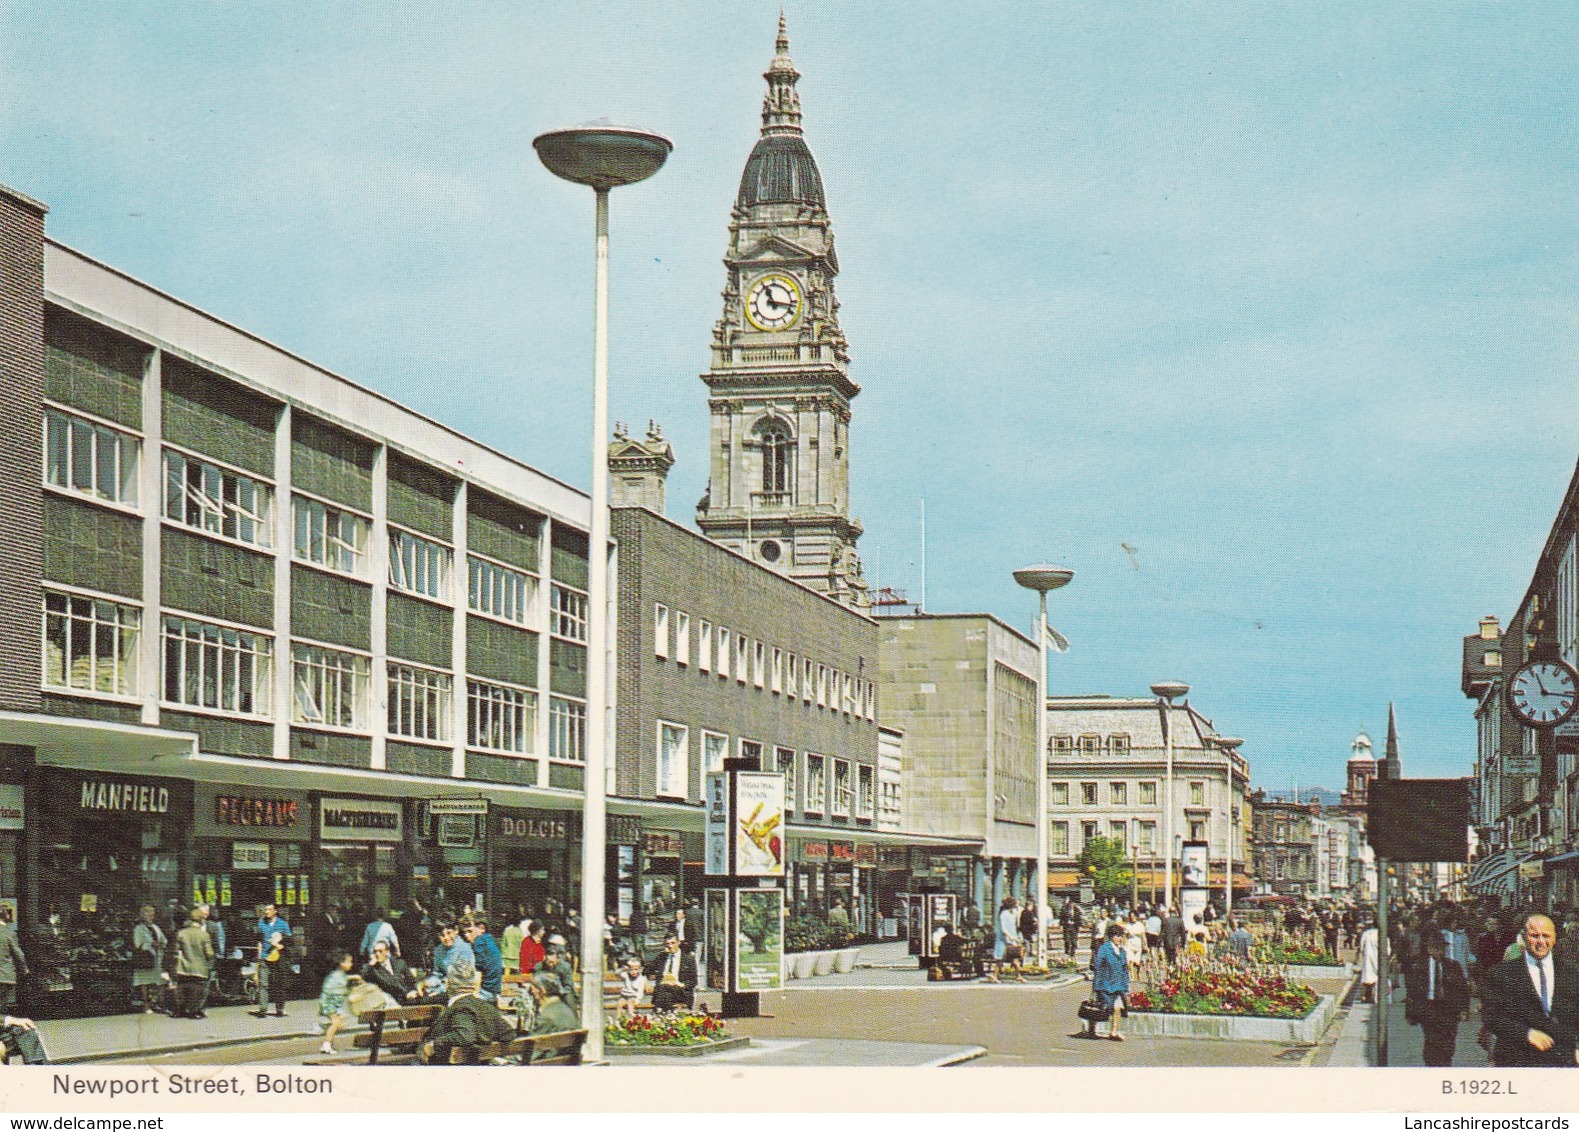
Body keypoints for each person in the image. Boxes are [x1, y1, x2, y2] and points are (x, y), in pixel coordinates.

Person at [1482, 914, 1578, 1067]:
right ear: (1524, 937)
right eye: (1535, 936)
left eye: (1546, 936)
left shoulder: (1572, 973)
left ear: (1554, 938)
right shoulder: (1501, 973)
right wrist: (1526, 1034)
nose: (1541, 941)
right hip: (1517, 1061)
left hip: (1562, 1062)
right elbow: (1492, 1017)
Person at [422, 958, 515, 1065]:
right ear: (473, 984)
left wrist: (434, 1045)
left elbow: (464, 1036)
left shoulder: (461, 1008)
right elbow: (509, 1033)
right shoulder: (487, 1006)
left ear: (447, 984)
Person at [1405, 929, 1470, 1067]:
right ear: (1429, 949)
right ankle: (1433, 1066)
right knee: (1431, 1042)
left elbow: (1463, 989)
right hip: (1429, 1008)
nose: (1440, 952)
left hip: (1449, 1010)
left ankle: (1445, 1063)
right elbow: (1412, 990)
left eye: (1442, 948)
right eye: (1436, 948)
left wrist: (1464, 1009)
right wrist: (1410, 1012)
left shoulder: (1453, 966)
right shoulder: (1419, 965)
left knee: (1448, 1043)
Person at [173, 908, 215, 1019]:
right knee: (198, 990)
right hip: (199, 967)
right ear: (201, 920)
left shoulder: (181, 933)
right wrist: (210, 962)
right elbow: (209, 953)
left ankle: (181, 1010)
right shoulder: (204, 935)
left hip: (183, 967)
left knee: (182, 988)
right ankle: (194, 1011)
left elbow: (176, 951)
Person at [1091, 923, 1131, 1041]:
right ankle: (1092, 1029)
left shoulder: (1122, 951)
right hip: (1106, 984)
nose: (1119, 939)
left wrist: (1127, 984)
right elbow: (1098, 966)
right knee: (1103, 1008)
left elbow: (1125, 968)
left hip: (1118, 985)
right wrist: (1097, 983)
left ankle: (1113, 1032)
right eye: (1117, 936)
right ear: (1111, 937)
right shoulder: (1105, 948)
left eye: (1121, 936)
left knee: (1117, 1007)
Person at [252, 903, 292, 1018]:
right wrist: (259, 957)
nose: (266, 912)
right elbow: (259, 941)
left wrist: (281, 946)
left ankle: (280, 1008)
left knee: (279, 983)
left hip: (278, 957)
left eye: (269, 909)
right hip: (265, 957)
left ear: (275, 911)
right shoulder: (261, 923)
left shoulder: (282, 924)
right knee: (263, 984)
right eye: (265, 909)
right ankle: (263, 1009)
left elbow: (289, 940)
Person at [317, 951, 356, 1056]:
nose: (351, 964)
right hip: (329, 1003)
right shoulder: (337, 976)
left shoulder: (339, 974)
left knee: (340, 1023)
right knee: (335, 1023)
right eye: (349, 962)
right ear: (342, 963)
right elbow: (338, 991)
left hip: (330, 1003)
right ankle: (327, 1044)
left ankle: (325, 1029)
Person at [647, 934, 698, 1011]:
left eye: (673, 943)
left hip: (681, 991)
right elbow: (647, 969)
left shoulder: (688, 959)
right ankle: (668, 1016)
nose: (670, 946)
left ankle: (659, 1012)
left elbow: (694, 981)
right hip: (664, 991)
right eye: (667, 944)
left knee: (662, 989)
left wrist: (681, 984)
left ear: (678, 942)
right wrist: (647, 981)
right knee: (666, 992)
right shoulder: (662, 957)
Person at [131, 904, 167, 1013]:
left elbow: (164, 940)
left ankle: (158, 1003)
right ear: (143, 916)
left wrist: (161, 944)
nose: (151, 917)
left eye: (152, 915)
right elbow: (138, 944)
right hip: (146, 958)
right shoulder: (138, 929)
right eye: (149, 915)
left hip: (158, 958)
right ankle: (146, 1004)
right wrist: (151, 944)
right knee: (144, 982)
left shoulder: (156, 927)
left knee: (160, 981)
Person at [425, 920, 474, 995]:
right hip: (444, 987)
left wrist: (439, 990)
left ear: (456, 930)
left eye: (449, 933)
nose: (446, 938)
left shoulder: (464, 949)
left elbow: (463, 979)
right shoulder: (438, 950)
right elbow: (438, 974)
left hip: (462, 989)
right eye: (442, 935)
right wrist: (426, 984)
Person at [461, 915, 504, 1000]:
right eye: (465, 932)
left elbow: (478, 971)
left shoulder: (479, 942)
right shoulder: (490, 939)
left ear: (481, 928)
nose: (466, 935)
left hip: (485, 992)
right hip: (495, 991)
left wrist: (475, 996)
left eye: (470, 931)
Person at [528, 971, 581, 1036]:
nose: (531, 991)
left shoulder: (545, 1017)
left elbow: (530, 1042)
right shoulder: (566, 1009)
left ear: (542, 990)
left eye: (533, 987)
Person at [534, 940, 578, 1013]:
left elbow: (568, 985)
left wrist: (560, 992)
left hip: (563, 991)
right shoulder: (539, 966)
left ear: (557, 959)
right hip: (546, 991)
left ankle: (573, 1020)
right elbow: (535, 980)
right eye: (548, 962)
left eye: (552, 962)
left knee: (569, 999)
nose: (550, 964)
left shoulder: (565, 967)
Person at [0, 906, 28, 1016]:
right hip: (4, 977)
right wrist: (24, 969)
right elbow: (19, 955)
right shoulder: (9, 934)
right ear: (7, 917)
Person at [616, 955, 649, 1021]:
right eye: (631, 970)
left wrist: (637, 999)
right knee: (619, 1003)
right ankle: (618, 1019)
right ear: (628, 970)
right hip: (625, 996)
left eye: (636, 969)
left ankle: (632, 1016)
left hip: (634, 997)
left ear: (640, 969)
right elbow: (617, 973)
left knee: (630, 1001)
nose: (634, 972)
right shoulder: (626, 975)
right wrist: (623, 969)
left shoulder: (642, 978)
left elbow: (640, 991)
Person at [1358, 920, 1380, 1004]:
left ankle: (1363, 996)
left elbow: (1361, 947)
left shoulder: (1366, 933)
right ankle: (1374, 996)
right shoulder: (1383, 934)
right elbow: (1387, 950)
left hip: (1367, 957)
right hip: (1378, 958)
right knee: (1376, 977)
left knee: (1366, 977)